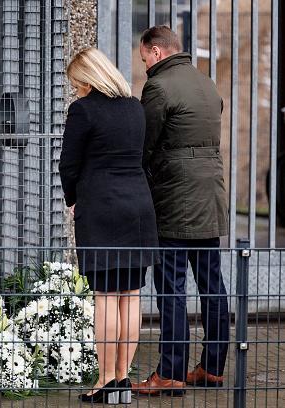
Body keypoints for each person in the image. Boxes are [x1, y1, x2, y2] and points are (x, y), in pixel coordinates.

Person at [132, 25, 230, 396]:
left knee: (171, 289)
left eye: (144, 59)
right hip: (210, 196)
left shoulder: (159, 86)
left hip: (175, 199)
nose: (145, 67)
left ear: (156, 52)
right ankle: (212, 367)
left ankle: (170, 373)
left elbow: (145, 144)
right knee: (212, 286)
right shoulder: (207, 83)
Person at [59, 47, 159, 405]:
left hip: (102, 208)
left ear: (87, 78)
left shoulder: (83, 110)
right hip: (138, 206)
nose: (76, 90)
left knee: (105, 296)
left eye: (76, 83)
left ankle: (104, 382)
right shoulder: (134, 106)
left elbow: (68, 164)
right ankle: (123, 380)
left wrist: (73, 199)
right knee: (130, 296)